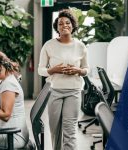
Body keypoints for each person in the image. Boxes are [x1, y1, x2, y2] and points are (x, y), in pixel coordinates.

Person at [38, 9, 89, 150]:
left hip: (73, 91)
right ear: (57, 27)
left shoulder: (80, 46)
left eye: (67, 22)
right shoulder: (49, 45)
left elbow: (86, 69)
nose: (64, 25)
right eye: (60, 23)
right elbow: (40, 70)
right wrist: (53, 70)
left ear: (72, 25)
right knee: (55, 130)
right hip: (54, 91)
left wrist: (79, 71)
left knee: (70, 130)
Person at [0, 51, 29, 148]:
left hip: (12, 136)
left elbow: (6, 115)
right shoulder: (8, 79)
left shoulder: (8, 84)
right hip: (12, 132)